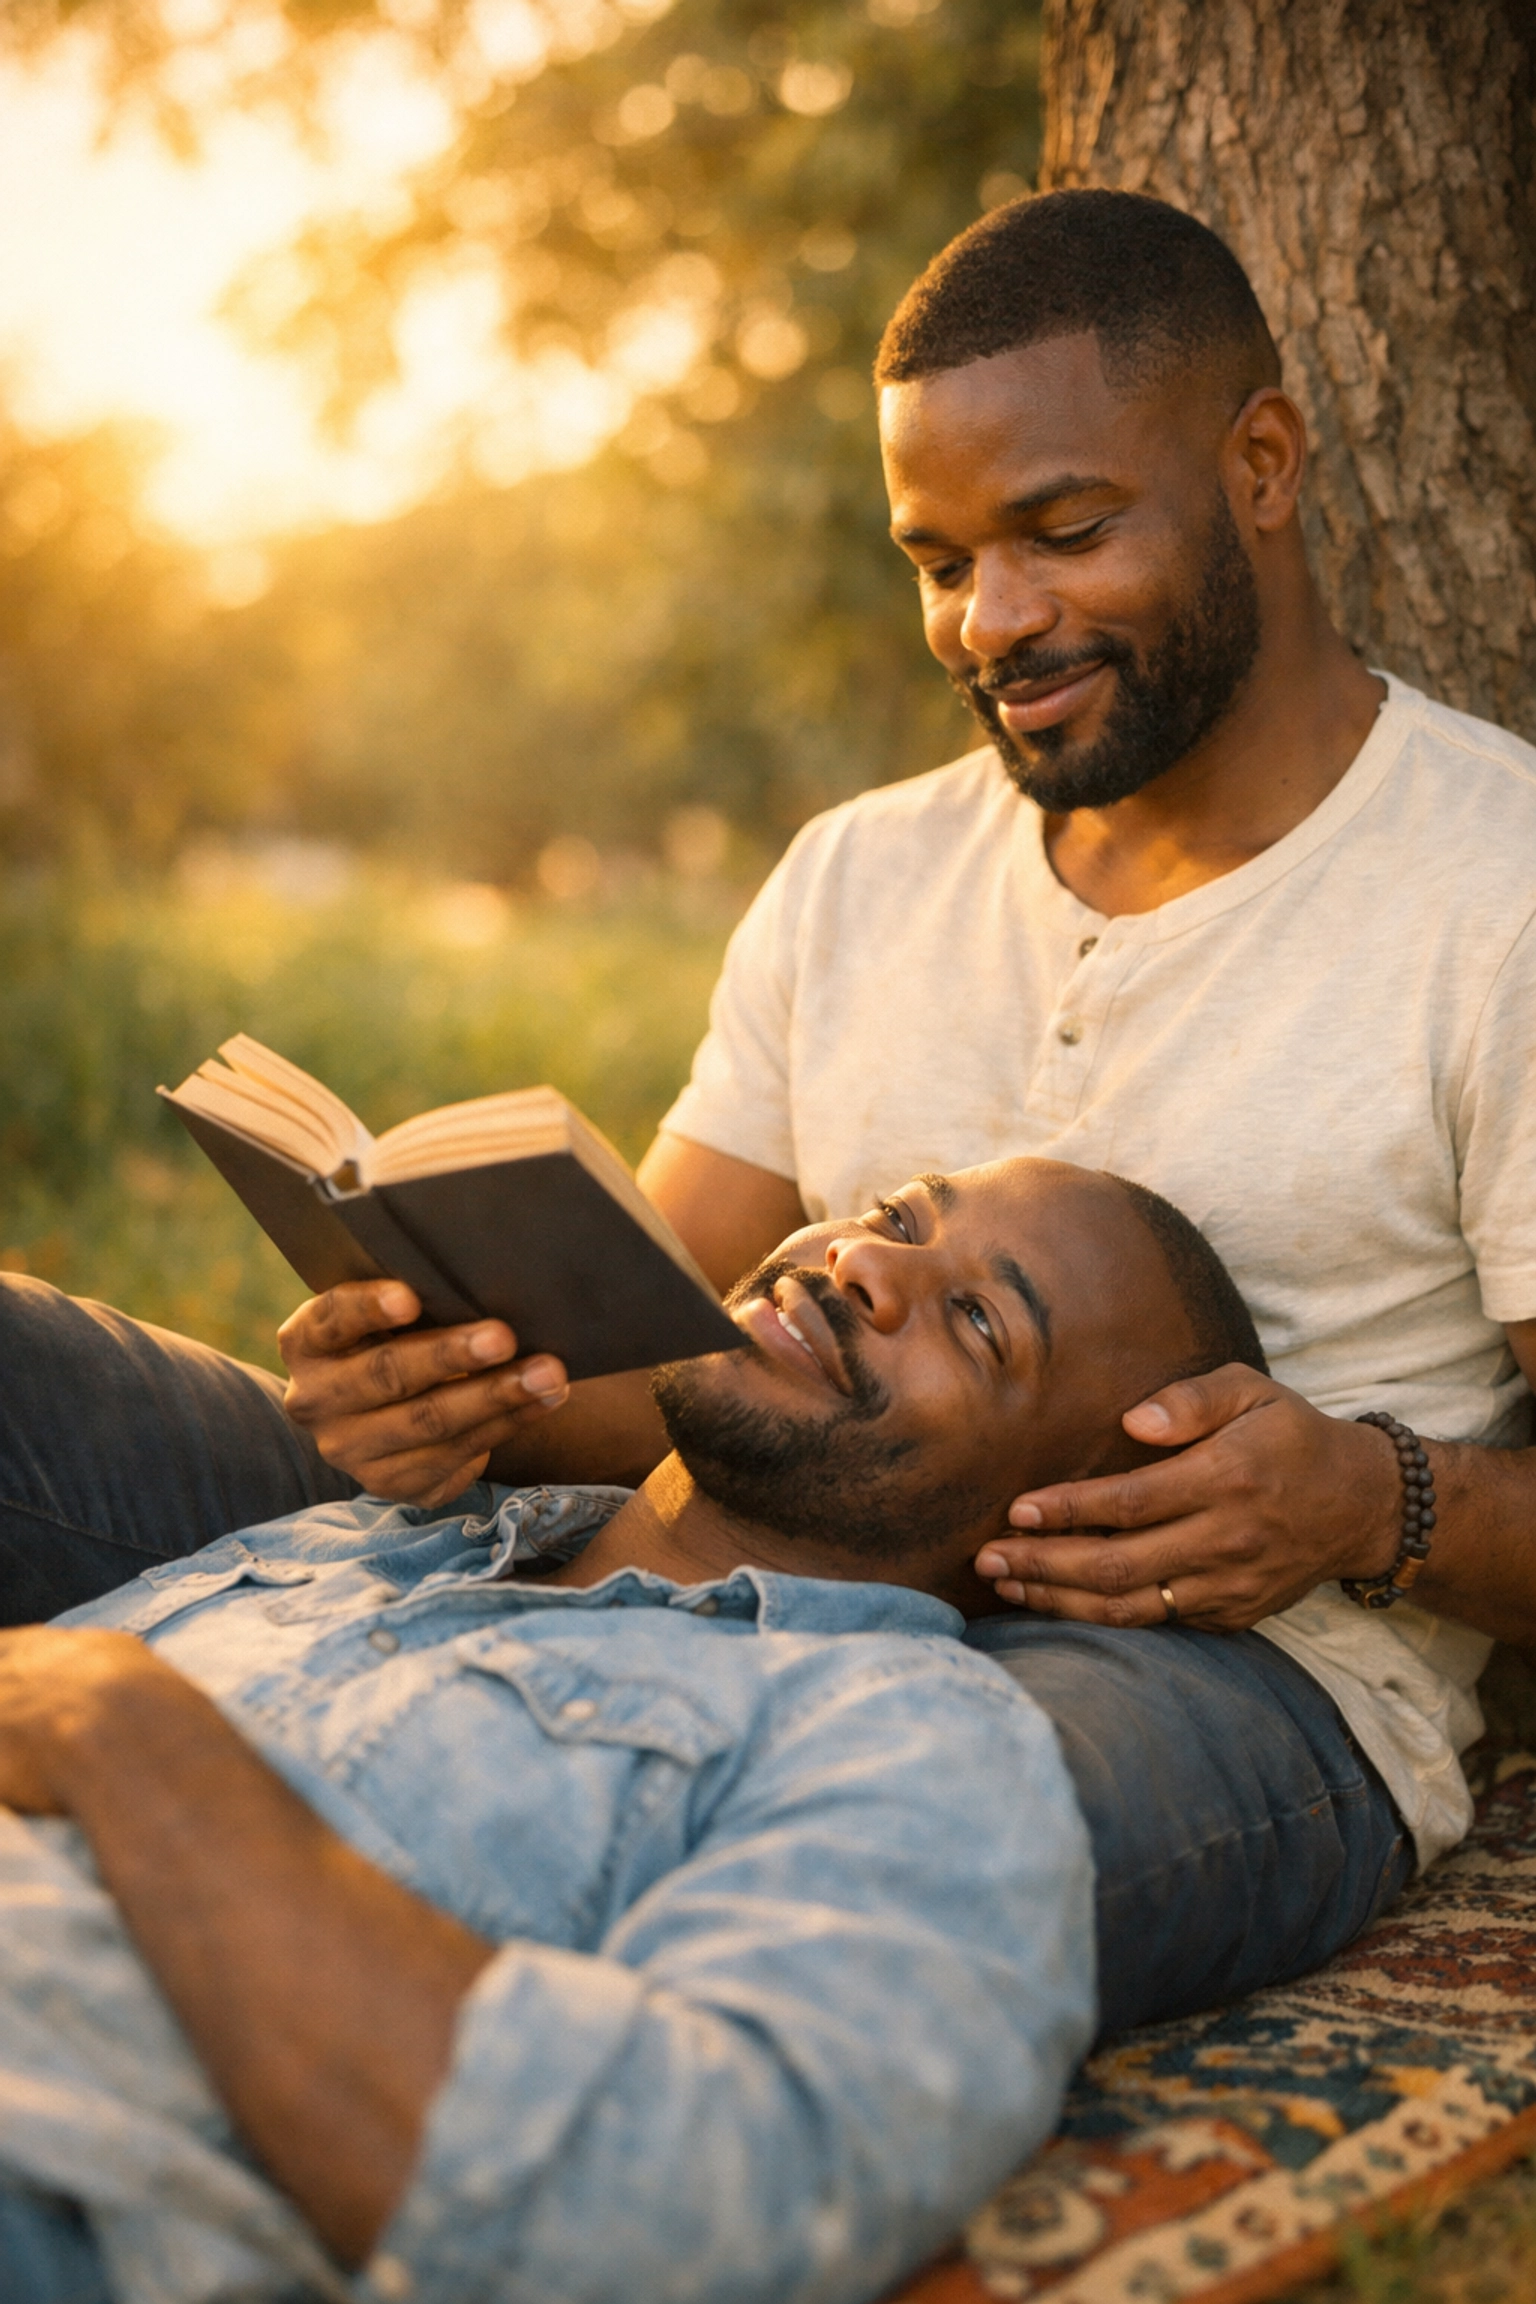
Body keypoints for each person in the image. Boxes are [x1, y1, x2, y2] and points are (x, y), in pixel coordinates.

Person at [1, 188, 1525, 2018]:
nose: (994, 622)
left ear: (1260, 460)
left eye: (1063, 532)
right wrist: (449, 1396)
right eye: (940, 559)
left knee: (848, 1831)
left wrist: (1379, 1505)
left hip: (1215, 1666)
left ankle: (261, 2033)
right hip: (675, 1556)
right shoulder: (857, 874)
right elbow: (620, 1375)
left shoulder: (1492, 889)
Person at [0, 1158, 1300, 2304]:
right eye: (896, 1212)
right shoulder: (378, 1533)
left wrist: (139, 1749)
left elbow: (674, 2219)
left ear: (1064, 1517)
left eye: (977, 1320)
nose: (858, 1263)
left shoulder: (911, 1748)